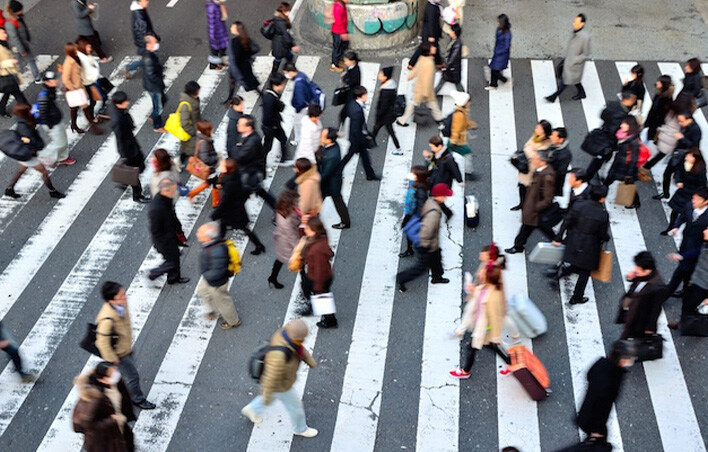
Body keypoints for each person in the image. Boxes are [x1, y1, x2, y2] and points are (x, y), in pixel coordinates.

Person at [241, 319, 319, 438]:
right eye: (301, 338)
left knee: (272, 396)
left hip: (282, 381)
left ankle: (252, 409)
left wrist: (310, 361)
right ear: (296, 338)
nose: (303, 340)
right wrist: (266, 396)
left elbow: (300, 350)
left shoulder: (287, 335)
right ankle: (300, 429)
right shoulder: (279, 355)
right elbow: (271, 377)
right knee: (296, 407)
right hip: (281, 385)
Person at [94, 281, 156, 410]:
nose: (125, 297)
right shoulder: (106, 320)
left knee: (127, 373)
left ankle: (119, 385)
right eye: (120, 296)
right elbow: (102, 343)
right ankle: (137, 399)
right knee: (133, 376)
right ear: (111, 301)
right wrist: (114, 359)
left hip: (126, 346)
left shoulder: (121, 305)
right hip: (120, 354)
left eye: (124, 293)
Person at [551, 184, 610, 304]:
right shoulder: (603, 214)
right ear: (603, 198)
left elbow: (567, 222)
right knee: (585, 272)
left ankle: (558, 275)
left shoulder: (579, 205)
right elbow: (602, 234)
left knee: (573, 263)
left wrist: (558, 237)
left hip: (573, 239)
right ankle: (576, 297)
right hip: (590, 246)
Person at [449, 263, 510, 379]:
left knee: (472, 347)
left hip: (483, 328)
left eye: (482, 272)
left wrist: (496, 336)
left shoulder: (493, 298)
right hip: (481, 326)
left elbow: (495, 317)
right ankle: (510, 362)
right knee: (490, 346)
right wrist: (473, 290)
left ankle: (465, 371)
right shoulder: (486, 287)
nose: (480, 272)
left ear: (487, 278)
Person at [575, 340, 636, 448]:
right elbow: (602, 409)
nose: (631, 361)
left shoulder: (601, 363)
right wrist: (597, 431)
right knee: (598, 446)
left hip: (585, 414)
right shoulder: (610, 382)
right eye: (629, 358)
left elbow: (589, 375)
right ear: (622, 360)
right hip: (593, 423)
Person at [396, 182, 452, 292]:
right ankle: (402, 278)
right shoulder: (434, 213)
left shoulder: (431, 202)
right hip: (426, 244)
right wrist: (427, 246)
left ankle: (437, 277)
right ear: (439, 196)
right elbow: (426, 232)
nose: (446, 197)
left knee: (436, 258)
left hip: (432, 243)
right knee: (421, 268)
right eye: (445, 195)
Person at [72, 362, 136, 452]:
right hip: (106, 438)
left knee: (128, 441)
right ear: (102, 380)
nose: (115, 374)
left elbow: (124, 399)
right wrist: (111, 420)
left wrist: (127, 415)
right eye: (111, 374)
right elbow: (85, 423)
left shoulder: (115, 383)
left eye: (114, 370)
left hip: (119, 426)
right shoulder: (94, 399)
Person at [5, 103, 64, 199]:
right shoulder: (25, 128)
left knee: (21, 170)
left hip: (23, 153)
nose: (31, 111)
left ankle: (10, 189)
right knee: (44, 172)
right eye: (29, 110)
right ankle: (52, 191)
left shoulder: (22, 122)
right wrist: (38, 147)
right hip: (29, 155)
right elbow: (33, 143)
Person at [212, 158, 266, 255]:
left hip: (233, 211)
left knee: (240, 228)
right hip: (236, 209)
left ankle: (259, 245)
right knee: (234, 228)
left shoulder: (229, 184)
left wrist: (215, 214)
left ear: (227, 169)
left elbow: (225, 201)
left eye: (222, 165)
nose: (220, 166)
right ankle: (259, 245)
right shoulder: (234, 176)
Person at [506, 151, 557, 254]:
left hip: (535, 210)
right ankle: (518, 246)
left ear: (542, 162)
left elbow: (547, 199)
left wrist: (534, 208)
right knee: (529, 228)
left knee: (532, 227)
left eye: (535, 159)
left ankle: (558, 242)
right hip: (533, 208)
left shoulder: (547, 176)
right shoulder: (541, 170)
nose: (533, 160)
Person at [197, 222, 242, 329]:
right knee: (203, 292)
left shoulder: (216, 251)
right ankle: (216, 309)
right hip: (211, 279)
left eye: (200, 233)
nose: (198, 234)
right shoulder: (212, 245)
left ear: (208, 238)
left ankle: (233, 321)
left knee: (223, 302)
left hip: (216, 282)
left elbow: (218, 272)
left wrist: (206, 275)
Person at [664, 188, 708, 298]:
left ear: (705, 201)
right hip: (685, 244)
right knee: (687, 273)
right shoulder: (690, 206)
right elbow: (682, 216)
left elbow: (704, 247)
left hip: (697, 252)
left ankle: (665, 295)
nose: (694, 201)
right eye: (694, 198)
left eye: (698, 199)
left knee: (680, 273)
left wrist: (682, 256)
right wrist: (676, 227)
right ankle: (686, 290)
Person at [615, 251, 668, 340]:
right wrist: (630, 277)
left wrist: (650, 328)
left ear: (648, 270)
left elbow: (655, 309)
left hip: (640, 320)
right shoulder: (644, 275)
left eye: (638, 268)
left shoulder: (658, 288)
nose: (636, 270)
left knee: (630, 341)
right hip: (632, 313)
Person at [584, 91, 635, 181]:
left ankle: (599, 167)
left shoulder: (612, 104)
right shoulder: (623, 115)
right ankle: (588, 177)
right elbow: (614, 130)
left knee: (605, 156)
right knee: (599, 160)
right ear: (628, 101)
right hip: (609, 140)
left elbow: (602, 115)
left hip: (604, 131)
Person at [110, 91, 149, 203]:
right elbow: (120, 138)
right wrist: (124, 155)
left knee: (140, 166)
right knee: (134, 173)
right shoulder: (118, 120)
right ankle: (137, 195)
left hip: (132, 145)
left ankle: (125, 181)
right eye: (125, 101)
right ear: (118, 104)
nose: (127, 103)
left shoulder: (120, 113)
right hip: (128, 149)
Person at [147, 179, 189, 284]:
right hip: (164, 240)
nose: (175, 193)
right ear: (165, 190)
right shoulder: (157, 209)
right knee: (172, 260)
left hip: (169, 236)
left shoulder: (164, 199)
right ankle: (154, 273)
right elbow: (155, 229)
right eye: (173, 191)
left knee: (174, 257)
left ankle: (173, 278)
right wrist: (167, 239)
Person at [668, 226, 708, 331]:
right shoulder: (705, 244)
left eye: (707, 230)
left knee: (690, 306)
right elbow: (697, 252)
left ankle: (690, 324)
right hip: (696, 279)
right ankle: (684, 322)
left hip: (704, 286)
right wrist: (682, 256)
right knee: (686, 302)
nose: (704, 230)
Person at [300, 216, 337, 328]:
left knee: (323, 299)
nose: (305, 229)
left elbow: (320, 271)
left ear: (314, 231)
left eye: (307, 228)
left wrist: (318, 287)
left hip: (319, 278)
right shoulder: (321, 237)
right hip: (314, 274)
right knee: (305, 286)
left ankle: (330, 320)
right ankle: (313, 304)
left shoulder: (317, 249)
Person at [234, 114, 276, 209]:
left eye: (240, 124)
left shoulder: (251, 142)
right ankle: (279, 209)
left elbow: (238, 156)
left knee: (239, 198)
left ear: (249, 127)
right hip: (252, 173)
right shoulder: (249, 136)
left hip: (250, 174)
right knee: (262, 193)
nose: (237, 125)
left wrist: (237, 147)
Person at [396, 42, 444, 126]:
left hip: (420, 88)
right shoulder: (429, 64)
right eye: (432, 47)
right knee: (418, 104)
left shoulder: (423, 58)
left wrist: (411, 76)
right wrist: (425, 93)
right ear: (429, 52)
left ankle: (439, 118)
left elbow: (416, 68)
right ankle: (402, 120)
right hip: (424, 90)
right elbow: (427, 80)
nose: (434, 48)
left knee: (430, 103)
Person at [545, 14, 591, 102]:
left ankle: (553, 97)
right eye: (574, 21)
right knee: (574, 80)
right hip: (569, 62)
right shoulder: (575, 33)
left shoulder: (585, 38)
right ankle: (582, 93)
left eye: (576, 22)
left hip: (574, 65)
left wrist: (574, 60)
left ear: (582, 24)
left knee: (565, 82)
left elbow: (585, 54)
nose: (574, 24)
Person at [642, 92, 690, 176]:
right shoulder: (682, 115)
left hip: (665, 134)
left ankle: (645, 166)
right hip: (670, 139)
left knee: (659, 154)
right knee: (660, 155)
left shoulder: (672, 108)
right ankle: (644, 169)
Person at [663, 148, 707, 234]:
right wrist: (678, 180)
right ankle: (671, 227)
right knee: (675, 211)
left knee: (687, 214)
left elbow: (702, 185)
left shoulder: (700, 170)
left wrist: (697, 196)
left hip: (691, 194)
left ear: (694, 158)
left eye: (688, 156)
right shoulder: (686, 164)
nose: (686, 157)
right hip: (682, 191)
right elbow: (679, 171)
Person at [511, 120, 552, 210]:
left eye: (538, 128)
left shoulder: (546, 144)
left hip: (533, 171)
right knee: (522, 187)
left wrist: (530, 150)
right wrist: (530, 150)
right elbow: (527, 146)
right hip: (525, 167)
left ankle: (527, 207)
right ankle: (521, 204)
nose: (536, 128)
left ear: (544, 131)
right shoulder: (536, 137)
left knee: (530, 190)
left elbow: (534, 155)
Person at [341, 86, 380, 180]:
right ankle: (336, 171)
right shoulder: (357, 111)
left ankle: (370, 175)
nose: (367, 97)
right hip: (357, 139)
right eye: (365, 95)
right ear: (360, 97)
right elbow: (356, 129)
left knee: (364, 157)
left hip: (356, 137)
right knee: (349, 156)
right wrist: (361, 139)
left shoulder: (353, 104)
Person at [603, 116, 641, 209]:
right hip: (618, 163)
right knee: (608, 180)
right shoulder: (623, 135)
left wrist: (629, 174)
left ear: (630, 126)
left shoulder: (633, 142)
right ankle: (601, 194)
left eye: (625, 124)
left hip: (625, 168)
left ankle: (636, 202)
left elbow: (634, 159)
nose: (621, 125)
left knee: (628, 184)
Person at [63, 42, 101, 135]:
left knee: (75, 108)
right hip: (75, 89)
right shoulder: (69, 63)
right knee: (83, 107)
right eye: (75, 50)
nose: (77, 51)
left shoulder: (73, 58)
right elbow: (65, 79)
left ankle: (74, 125)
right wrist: (74, 88)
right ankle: (93, 127)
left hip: (79, 87)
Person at [34, 76, 70, 167]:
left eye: (55, 78)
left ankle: (62, 158)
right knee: (59, 143)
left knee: (63, 140)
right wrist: (50, 125)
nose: (56, 80)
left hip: (56, 121)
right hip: (52, 123)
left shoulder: (51, 90)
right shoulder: (44, 97)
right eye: (53, 80)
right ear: (47, 82)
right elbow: (43, 113)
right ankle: (44, 156)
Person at [319, 127, 351, 229]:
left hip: (332, 182)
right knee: (324, 200)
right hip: (331, 181)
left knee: (336, 200)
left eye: (323, 136)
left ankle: (345, 222)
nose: (320, 136)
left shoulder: (332, 155)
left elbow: (325, 173)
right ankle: (345, 222)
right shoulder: (332, 145)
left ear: (329, 140)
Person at [270, 188, 300, 289]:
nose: (296, 203)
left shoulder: (283, 211)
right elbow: (292, 238)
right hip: (287, 243)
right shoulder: (286, 220)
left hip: (282, 240)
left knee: (280, 259)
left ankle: (272, 278)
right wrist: (300, 249)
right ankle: (307, 290)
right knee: (302, 265)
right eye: (294, 202)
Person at [425, 135, 461, 220]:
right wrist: (429, 156)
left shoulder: (448, 159)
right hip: (436, 179)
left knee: (437, 199)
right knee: (435, 198)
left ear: (440, 146)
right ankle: (445, 212)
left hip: (443, 183)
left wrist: (460, 181)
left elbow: (455, 170)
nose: (431, 149)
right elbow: (434, 160)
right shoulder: (437, 153)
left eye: (432, 147)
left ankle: (447, 213)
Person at [187, 121, 221, 207]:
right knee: (215, 183)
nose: (212, 130)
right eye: (210, 129)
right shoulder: (204, 143)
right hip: (208, 168)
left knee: (209, 182)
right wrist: (216, 158)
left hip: (207, 167)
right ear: (207, 131)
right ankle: (216, 202)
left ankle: (192, 194)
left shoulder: (202, 139)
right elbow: (205, 159)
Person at [4, 1, 39, 83]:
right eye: (21, 10)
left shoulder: (16, 17)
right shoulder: (10, 23)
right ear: (15, 11)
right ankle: (11, 79)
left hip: (23, 44)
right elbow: (14, 38)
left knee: (29, 61)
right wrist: (22, 50)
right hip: (18, 47)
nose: (22, 11)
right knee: (17, 63)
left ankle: (37, 77)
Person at [76, 37, 108, 125]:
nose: (90, 48)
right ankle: (92, 116)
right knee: (95, 100)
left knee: (102, 94)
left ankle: (97, 111)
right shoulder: (81, 59)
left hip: (93, 79)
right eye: (88, 47)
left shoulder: (84, 55)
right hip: (89, 83)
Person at [399, 165, 430, 257]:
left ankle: (422, 252)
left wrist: (409, 218)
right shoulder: (417, 184)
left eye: (413, 173)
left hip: (415, 216)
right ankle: (409, 249)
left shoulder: (420, 191)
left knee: (413, 233)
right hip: (413, 214)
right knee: (409, 232)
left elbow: (420, 206)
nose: (410, 174)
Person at [371, 66, 402, 155]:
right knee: (383, 129)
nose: (379, 75)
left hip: (385, 115)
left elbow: (383, 106)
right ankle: (398, 148)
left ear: (385, 77)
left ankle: (370, 143)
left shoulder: (386, 90)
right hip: (389, 114)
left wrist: (378, 115)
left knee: (380, 128)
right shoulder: (390, 85)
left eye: (381, 74)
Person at [125, 0, 159, 78]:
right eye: (145, 0)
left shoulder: (139, 10)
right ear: (139, 2)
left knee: (151, 57)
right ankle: (129, 68)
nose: (147, 2)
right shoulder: (139, 14)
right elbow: (145, 30)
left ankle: (129, 68)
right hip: (145, 42)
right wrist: (153, 39)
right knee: (150, 58)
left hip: (143, 41)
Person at [260, 73, 289, 164]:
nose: (284, 86)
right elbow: (268, 115)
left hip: (274, 124)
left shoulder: (272, 94)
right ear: (276, 85)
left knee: (283, 138)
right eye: (283, 84)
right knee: (267, 147)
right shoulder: (270, 98)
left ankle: (284, 157)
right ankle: (261, 163)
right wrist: (273, 126)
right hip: (270, 127)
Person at [448, 90, 477, 178]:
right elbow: (456, 129)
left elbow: (465, 122)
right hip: (458, 141)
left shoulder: (462, 112)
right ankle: (468, 172)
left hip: (457, 140)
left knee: (450, 155)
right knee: (467, 154)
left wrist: (471, 125)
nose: (469, 103)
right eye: (468, 101)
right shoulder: (460, 115)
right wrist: (454, 141)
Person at [140, 35, 166, 133]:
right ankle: (157, 126)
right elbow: (153, 76)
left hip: (152, 85)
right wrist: (160, 85)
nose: (156, 44)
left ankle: (154, 116)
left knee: (162, 100)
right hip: (154, 87)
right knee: (159, 107)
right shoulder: (148, 58)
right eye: (154, 43)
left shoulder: (149, 54)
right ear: (148, 45)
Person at [227, 21, 260, 95]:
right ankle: (261, 94)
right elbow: (254, 49)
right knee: (250, 81)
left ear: (237, 30)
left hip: (238, 66)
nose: (231, 28)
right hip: (245, 65)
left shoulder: (235, 41)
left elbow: (235, 57)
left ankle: (230, 97)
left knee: (235, 81)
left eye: (232, 27)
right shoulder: (245, 38)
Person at [283, 62, 311, 146]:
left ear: (290, 72)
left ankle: (298, 140)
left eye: (286, 73)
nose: (286, 75)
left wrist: (297, 109)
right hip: (308, 103)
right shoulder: (302, 75)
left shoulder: (298, 84)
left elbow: (300, 100)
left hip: (302, 107)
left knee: (298, 124)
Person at [0, 28, 26, 117]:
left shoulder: (4, 44)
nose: (5, 35)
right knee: (18, 95)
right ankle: (27, 111)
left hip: (9, 76)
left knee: (7, 93)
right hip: (7, 76)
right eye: (3, 33)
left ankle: (1, 110)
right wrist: (10, 62)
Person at [642, 74, 674, 146]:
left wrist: (648, 122)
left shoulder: (665, 99)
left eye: (659, 82)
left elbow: (659, 113)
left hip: (655, 123)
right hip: (653, 121)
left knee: (649, 137)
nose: (657, 83)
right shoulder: (661, 94)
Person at [176, 81, 201, 168]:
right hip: (190, 132)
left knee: (189, 149)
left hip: (194, 128)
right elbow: (184, 123)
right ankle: (179, 162)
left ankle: (181, 161)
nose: (198, 94)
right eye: (196, 92)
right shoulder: (185, 106)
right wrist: (194, 132)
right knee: (188, 149)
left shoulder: (193, 100)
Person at [270, 2, 299, 74]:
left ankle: (275, 72)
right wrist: (293, 45)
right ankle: (289, 70)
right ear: (283, 11)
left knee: (279, 58)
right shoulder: (281, 22)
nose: (289, 12)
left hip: (277, 43)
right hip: (281, 45)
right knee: (288, 57)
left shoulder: (276, 19)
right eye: (287, 11)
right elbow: (286, 35)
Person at [435, 23, 463, 93]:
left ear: (455, 33)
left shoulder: (457, 44)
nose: (450, 32)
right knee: (453, 82)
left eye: (451, 31)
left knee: (455, 83)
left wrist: (445, 67)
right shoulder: (455, 41)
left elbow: (452, 58)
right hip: (453, 69)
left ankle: (464, 97)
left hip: (452, 69)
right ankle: (464, 96)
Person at [487, 13, 511, 90]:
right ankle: (493, 84)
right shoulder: (499, 29)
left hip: (501, 55)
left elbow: (506, 47)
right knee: (494, 69)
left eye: (498, 22)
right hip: (498, 53)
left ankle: (505, 80)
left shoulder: (507, 34)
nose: (497, 23)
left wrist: (497, 51)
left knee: (494, 70)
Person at [337, 50, 361, 127]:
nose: (345, 62)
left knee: (345, 113)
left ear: (352, 61)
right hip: (351, 93)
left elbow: (352, 82)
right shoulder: (352, 67)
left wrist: (344, 78)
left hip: (352, 94)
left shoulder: (355, 71)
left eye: (346, 61)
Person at [546, 127, 572, 196]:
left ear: (561, 139)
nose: (550, 137)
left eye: (553, 136)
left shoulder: (565, 155)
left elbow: (560, 172)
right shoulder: (553, 146)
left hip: (553, 182)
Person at [206, 0, 229, 70]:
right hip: (216, 33)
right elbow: (211, 23)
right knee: (215, 50)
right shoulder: (212, 8)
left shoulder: (218, 5)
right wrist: (212, 35)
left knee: (223, 47)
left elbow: (223, 17)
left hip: (221, 31)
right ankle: (213, 65)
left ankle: (222, 61)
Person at [330, 0, 349, 72]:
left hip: (342, 31)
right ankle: (334, 64)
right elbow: (338, 22)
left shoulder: (342, 5)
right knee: (336, 48)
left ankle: (337, 61)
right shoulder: (338, 7)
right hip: (338, 32)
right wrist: (343, 33)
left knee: (342, 46)